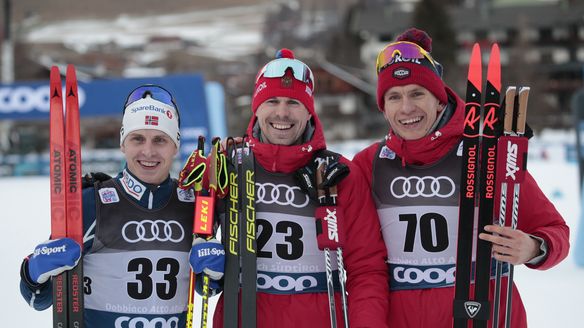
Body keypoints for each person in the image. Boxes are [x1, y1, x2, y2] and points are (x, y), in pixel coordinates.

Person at [352, 27, 570, 327]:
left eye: (417, 93)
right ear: (384, 108)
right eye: (394, 97)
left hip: (482, 315)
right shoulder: (368, 165)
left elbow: (555, 230)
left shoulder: (484, 154)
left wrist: (534, 247)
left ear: (439, 99)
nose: (407, 108)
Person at [195, 49, 389, 327]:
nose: (282, 113)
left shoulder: (339, 173)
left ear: (309, 110)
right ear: (257, 107)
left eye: (293, 103)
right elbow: (192, 233)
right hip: (243, 317)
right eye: (272, 100)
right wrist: (204, 263)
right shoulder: (225, 165)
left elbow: (367, 269)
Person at [19, 85, 210, 328]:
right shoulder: (92, 203)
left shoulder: (193, 207)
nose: (148, 151)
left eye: (160, 140)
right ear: (123, 143)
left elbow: (207, 287)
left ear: (175, 146)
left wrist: (215, 272)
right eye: (137, 138)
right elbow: (39, 300)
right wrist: (34, 272)